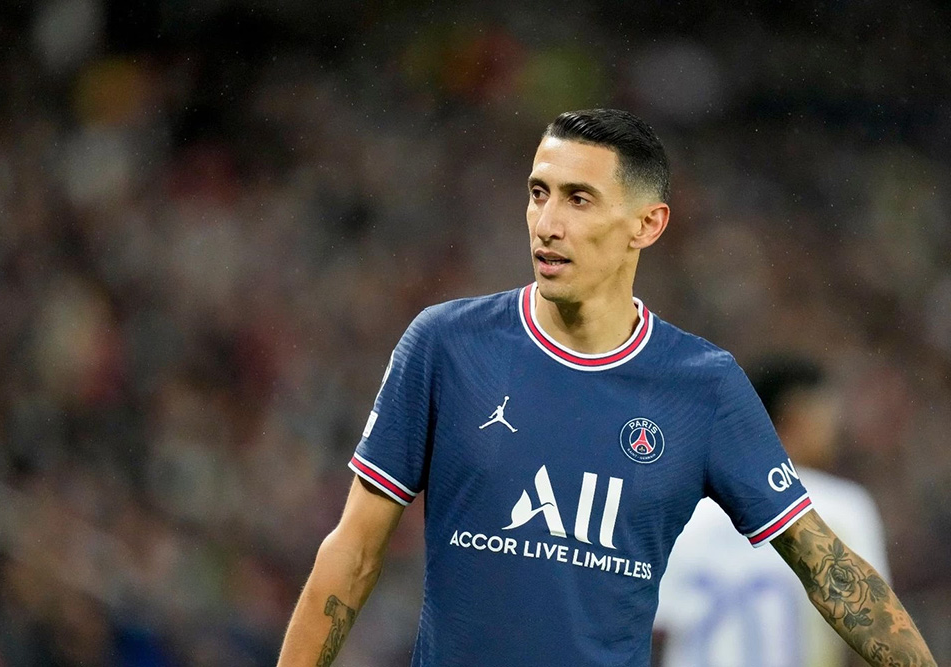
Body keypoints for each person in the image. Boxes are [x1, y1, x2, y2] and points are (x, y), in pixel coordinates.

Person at [277, 109, 936, 666]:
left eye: (578, 198)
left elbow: (827, 568)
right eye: (539, 192)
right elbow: (354, 552)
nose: (547, 223)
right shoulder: (447, 345)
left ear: (647, 225)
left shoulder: (702, 387)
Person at [653, 355, 891, 667]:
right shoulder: (839, 509)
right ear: (796, 417)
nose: (835, 431)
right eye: (827, 418)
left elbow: (655, 630)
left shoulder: (689, 510)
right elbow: (872, 627)